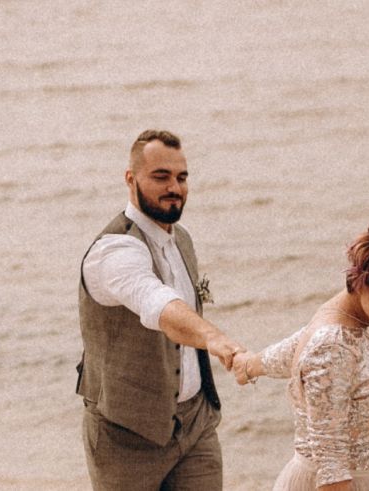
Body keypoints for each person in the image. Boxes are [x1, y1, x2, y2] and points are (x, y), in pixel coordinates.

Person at [75, 129, 244, 490]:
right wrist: (213, 337)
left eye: (182, 177)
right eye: (161, 177)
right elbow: (156, 302)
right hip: (126, 438)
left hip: (196, 425)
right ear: (130, 179)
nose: (175, 187)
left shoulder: (181, 239)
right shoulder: (114, 251)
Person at [233, 222, 369, 491]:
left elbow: (299, 348)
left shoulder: (350, 318)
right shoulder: (333, 345)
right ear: (361, 281)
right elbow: (331, 467)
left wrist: (249, 365)